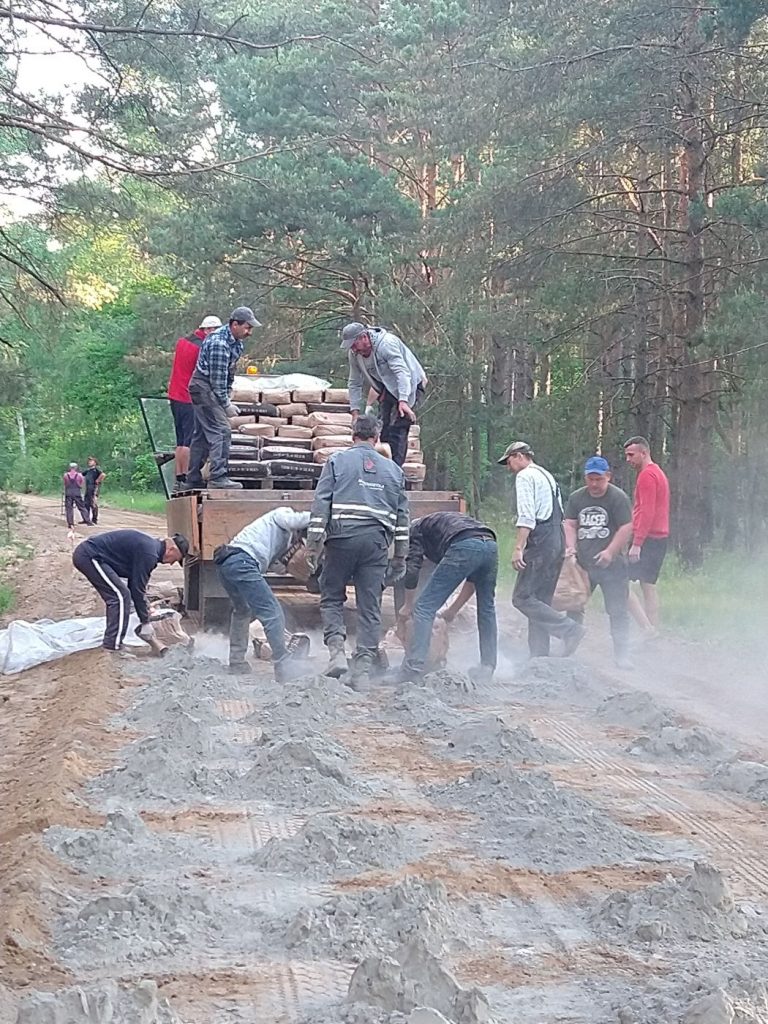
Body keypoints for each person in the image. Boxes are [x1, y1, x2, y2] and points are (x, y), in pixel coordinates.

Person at [307, 414, 409, 687]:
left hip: (341, 539)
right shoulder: (394, 472)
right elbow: (402, 520)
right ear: (377, 438)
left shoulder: (336, 462)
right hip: (376, 544)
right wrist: (400, 557)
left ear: (353, 436)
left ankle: (337, 653)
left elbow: (321, 507)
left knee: (331, 597)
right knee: (370, 606)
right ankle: (363, 668)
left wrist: (313, 546)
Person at [499, 440, 584, 658]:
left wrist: (519, 547)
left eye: (508, 462)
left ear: (519, 456)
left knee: (522, 597)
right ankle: (539, 656)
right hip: (557, 538)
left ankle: (569, 629)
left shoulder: (525, 476)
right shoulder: (546, 475)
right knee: (541, 601)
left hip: (542, 541)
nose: (509, 468)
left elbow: (527, 516)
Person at [395, 511, 498, 683]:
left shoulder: (415, 530)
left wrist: (407, 605)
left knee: (423, 608)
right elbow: (473, 579)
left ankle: (413, 669)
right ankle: (487, 666)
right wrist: (452, 610)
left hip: (464, 544)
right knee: (487, 609)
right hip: (490, 543)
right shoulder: (442, 524)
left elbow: (412, 568)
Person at [213, 507, 311, 679]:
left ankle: (236, 662)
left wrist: (294, 563)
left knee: (242, 611)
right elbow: (295, 521)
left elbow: (278, 568)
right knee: (272, 612)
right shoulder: (282, 513)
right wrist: (323, 516)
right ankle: (283, 664)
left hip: (227, 564)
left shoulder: (277, 540)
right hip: (243, 561)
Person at [564, 456, 634, 669]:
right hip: (583, 564)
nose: (594, 484)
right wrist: (571, 548)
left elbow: (626, 527)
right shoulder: (577, 498)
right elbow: (569, 524)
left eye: (598, 479)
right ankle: (568, 649)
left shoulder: (618, 498)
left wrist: (610, 552)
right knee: (574, 605)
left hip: (612, 565)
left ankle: (622, 655)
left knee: (618, 610)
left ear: (608, 477)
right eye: (590, 479)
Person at [181, 306, 261, 492]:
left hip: (210, 386)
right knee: (222, 430)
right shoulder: (219, 343)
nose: (249, 332)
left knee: (201, 434)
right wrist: (225, 404)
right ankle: (218, 476)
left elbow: (228, 372)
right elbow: (216, 379)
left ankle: (193, 478)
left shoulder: (235, 343)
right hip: (203, 387)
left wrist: (229, 390)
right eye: (247, 328)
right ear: (235, 324)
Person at [72, 530, 188, 652]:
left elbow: (135, 586)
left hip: (93, 557)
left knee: (122, 595)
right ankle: (112, 646)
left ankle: (114, 643)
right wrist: (145, 622)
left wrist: (145, 608)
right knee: (120, 597)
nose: (171, 564)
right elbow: (137, 589)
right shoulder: (149, 554)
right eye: (175, 559)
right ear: (172, 550)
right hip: (90, 556)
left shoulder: (150, 550)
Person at [342, 322, 428, 466]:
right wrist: (355, 412)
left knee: (399, 428)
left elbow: (402, 372)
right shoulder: (354, 354)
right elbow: (354, 382)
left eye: (354, 344)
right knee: (383, 428)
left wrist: (403, 401)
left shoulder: (386, 344)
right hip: (387, 388)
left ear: (364, 337)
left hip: (410, 385)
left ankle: (395, 472)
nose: (353, 349)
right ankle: (383, 468)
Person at [168, 315, 222, 491]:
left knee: (180, 440)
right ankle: (186, 477)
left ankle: (178, 478)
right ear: (208, 330)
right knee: (190, 440)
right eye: (215, 331)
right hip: (188, 397)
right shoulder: (201, 348)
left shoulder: (183, 342)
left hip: (175, 395)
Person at [624, 436, 671, 636]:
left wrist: (637, 543)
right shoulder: (657, 472)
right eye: (626, 455)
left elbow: (647, 511)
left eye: (631, 455)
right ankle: (652, 630)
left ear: (644, 453)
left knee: (620, 585)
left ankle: (648, 629)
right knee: (648, 586)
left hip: (649, 539)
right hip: (660, 537)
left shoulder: (647, 476)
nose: (628, 459)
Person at [62, 463, 90, 527]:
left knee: (69, 508)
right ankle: (88, 521)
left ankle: (70, 523)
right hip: (77, 492)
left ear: (69, 467)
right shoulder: (79, 475)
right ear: (76, 467)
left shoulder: (66, 475)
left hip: (68, 492)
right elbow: (81, 484)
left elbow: (65, 484)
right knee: (82, 507)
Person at [83, 456, 105, 525]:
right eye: (89, 461)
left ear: (95, 463)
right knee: (86, 503)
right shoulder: (88, 470)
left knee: (93, 503)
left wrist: (98, 480)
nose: (89, 462)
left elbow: (103, 474)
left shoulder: (96, 469)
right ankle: (86, 519)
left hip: (94, 488)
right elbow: (81, 475)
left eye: (91, 461)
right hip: (88, 488)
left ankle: (94, 519)